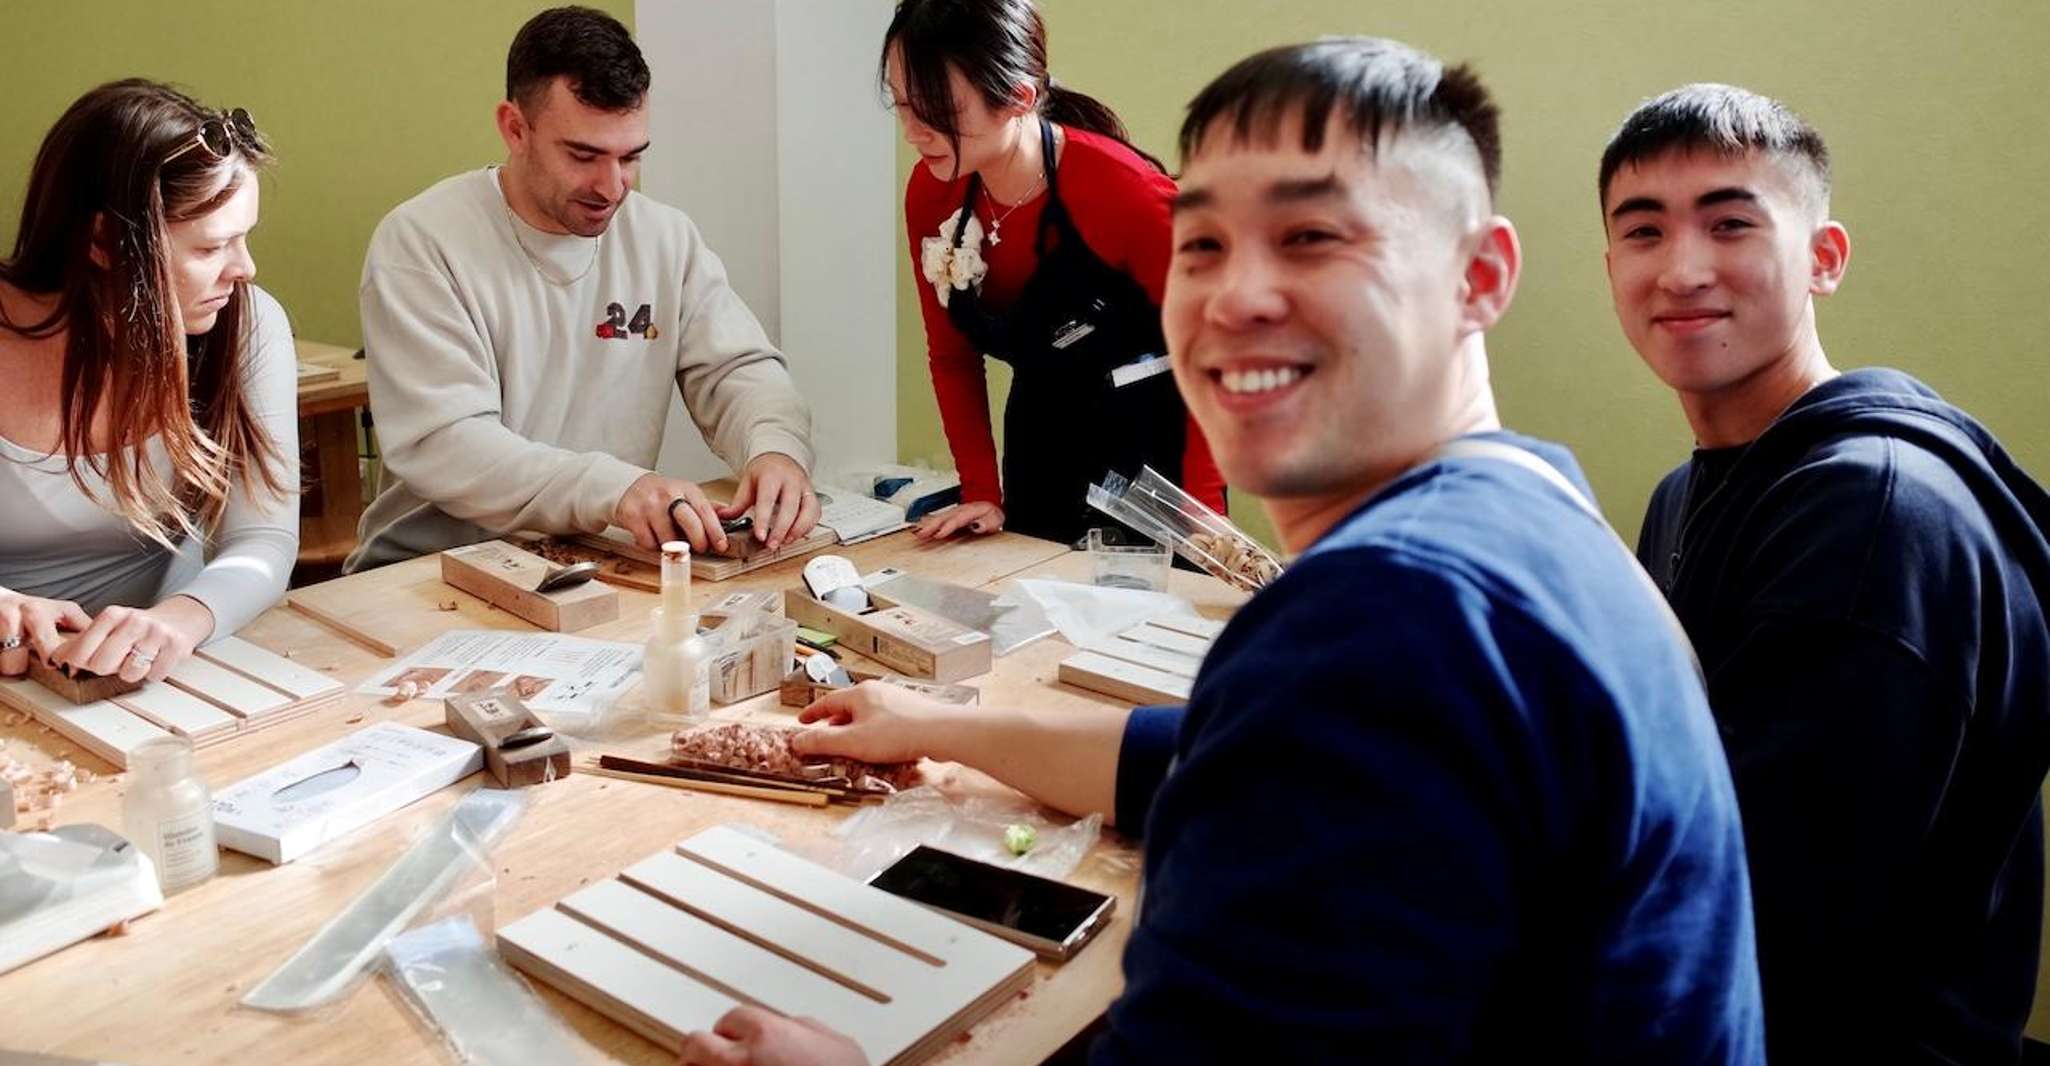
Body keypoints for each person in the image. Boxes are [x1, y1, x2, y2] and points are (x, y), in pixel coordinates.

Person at [681, 39, 1764, 1065]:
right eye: (1201, 245)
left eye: (1310, 238)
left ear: (1479, 276)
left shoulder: (1392, 618)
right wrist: (941, 728)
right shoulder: (1525, 498)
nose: (1235, 298)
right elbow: (1213, 752)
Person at [1600, 84, 2050, 1064]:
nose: (1681, 269)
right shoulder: (1693, 491)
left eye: (1729, 223)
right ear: (1609, 267)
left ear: (1824, 258)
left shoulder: (1869, 515)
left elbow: (1774, 905)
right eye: (1643, 232)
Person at [345, 6, 818, 572]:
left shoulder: (665, 238)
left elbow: (736, 371)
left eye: (631, 156)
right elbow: (447, 443)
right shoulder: (422, 242)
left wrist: (774, 449)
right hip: (427, 571)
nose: (612, 186)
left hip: (587, 563)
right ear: (514, 128)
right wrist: (616, 489)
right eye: (584, 155)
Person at [887, 0, 1226, 543]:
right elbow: (951, 355)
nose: (912, 132)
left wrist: (1204, 509)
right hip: (1041, 435)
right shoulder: (933, 193)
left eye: (937, 111)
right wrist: (981, 490)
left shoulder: (1124, 191)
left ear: (1018, 99)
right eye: (901, 104)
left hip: (1154, 449)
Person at [0, 79, 297, 684]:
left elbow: (263, 541)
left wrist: (179, 621)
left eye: (245, 238)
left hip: (156, 676)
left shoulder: (246, 324)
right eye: (212, 246)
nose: (244, 269)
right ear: (104, 240)